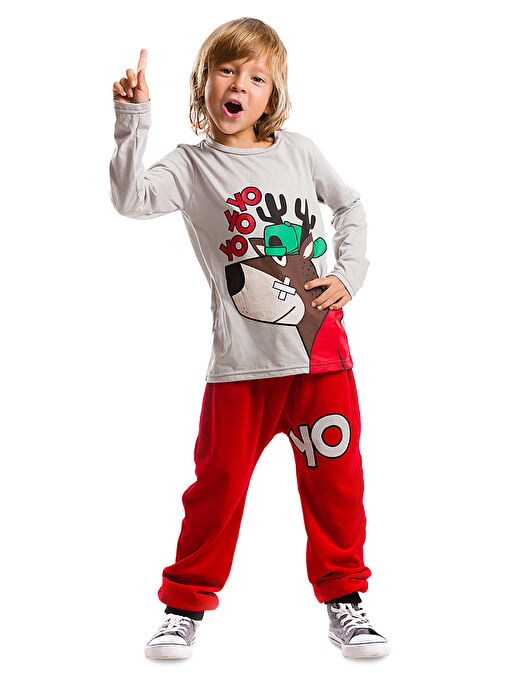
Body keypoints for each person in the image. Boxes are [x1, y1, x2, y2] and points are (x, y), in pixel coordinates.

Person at [110, 17, 390, 660]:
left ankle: (346, 602)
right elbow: (130, 199)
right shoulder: (191, 165)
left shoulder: (301, 152)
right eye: (227, 70)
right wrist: (132, 121)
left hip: (321, 356)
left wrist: (349, 274)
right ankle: (183, 608)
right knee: (217, 489)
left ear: (272, 95)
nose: (239, 85)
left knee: (337, 486)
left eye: (257, 77)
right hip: (242, 365)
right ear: (204, 83)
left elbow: (349, 205)